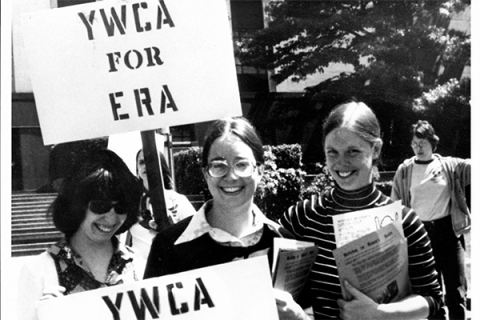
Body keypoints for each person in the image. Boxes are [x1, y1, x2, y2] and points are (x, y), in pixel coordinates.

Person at [278, 101, 443, 320]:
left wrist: (380, 314)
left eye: (353, 151)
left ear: (376, 149)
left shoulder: (405, 221)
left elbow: (432, 299)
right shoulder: (303, 217)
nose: (341, 162)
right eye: (332, 152)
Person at [143, 117, 297, 316]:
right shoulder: (168, 245)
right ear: (206, 174)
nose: (231, 176)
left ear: (260, 170)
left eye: (242, 164)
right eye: (218, 165)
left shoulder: (285, 244)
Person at [16, 149, 143, 320]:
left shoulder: (139, 265)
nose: (111, 218)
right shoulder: (37, 271)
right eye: (100, 205)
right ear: (77, 205)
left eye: (121, 208)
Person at [391, 120, 470, 320]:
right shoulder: (405, 170)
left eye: (422, 143)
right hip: (419, 235)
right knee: (430, 293)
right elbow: (394, 206)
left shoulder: (450, 165)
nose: (417, 148)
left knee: (456, 289)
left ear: (432, 142)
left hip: (449, 232)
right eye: (414, 144)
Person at [124, 149, 196, 277]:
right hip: (137, 275)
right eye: (141, 162)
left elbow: (196, 237)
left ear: (161, 167)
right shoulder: (131, 202)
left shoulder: (178, 200)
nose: (145, 166)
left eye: (151, 161)